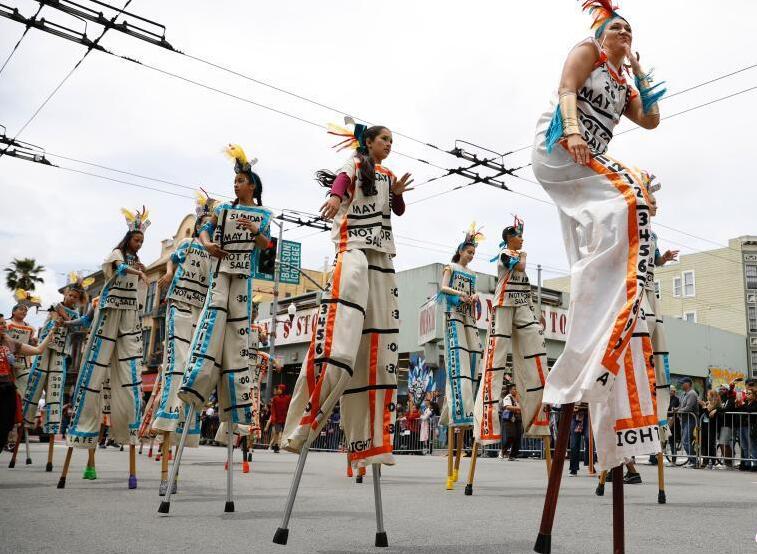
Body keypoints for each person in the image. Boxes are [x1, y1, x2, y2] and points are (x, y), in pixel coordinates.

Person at [531, 0, 666, 472]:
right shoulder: (588, 51)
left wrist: (640, 72)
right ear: (601, 33)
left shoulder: (622, 82)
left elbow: (651, 120)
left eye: (630, 30)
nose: (625, 33)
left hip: (589, 161)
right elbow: (566, 88)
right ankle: (620, 285)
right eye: (618, 27)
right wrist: (571, 132)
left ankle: (599, 306)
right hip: (562, 147)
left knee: (630, 199)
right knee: (634, 195)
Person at [282, 121, 412, 472]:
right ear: (368, 142)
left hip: (381, 257)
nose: (389, 144)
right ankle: (304, 420)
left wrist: (398, 193)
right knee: (340, 345)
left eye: (392, 140)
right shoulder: (354, 164)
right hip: (353, 250)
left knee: (378, 347)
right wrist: (335, 197)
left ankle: (370, 441)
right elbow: (341, 181)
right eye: (384, 139)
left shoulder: (387, 174)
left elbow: (398, 211)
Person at [178, 145, 272, 448]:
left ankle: (234, 408)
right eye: (234, 181)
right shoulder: (222, 210)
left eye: (241, 181)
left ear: (252, 185)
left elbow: (266, 245)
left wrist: (254, 230)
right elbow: (204, 231)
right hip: (220, 275)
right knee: (213, 324)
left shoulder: (263, 214)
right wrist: (207, 245)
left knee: (236, 338)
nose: (236, 185)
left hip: (243, 279)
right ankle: (195, 384)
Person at [65, 208, 149, 487]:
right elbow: (119, 270)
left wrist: (141, 270)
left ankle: (124, 442)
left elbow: (135, 278)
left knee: (126, 386)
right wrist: (69, 323)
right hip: (107, 324)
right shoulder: (117, 256)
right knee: (93, 387)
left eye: (142, 241)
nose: (139, 245)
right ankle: (89, 461)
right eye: (136, 240)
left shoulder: (136, 262)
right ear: (128, 239)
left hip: (127, 321)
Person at [150, 191, 215, 493]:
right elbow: (172, 262)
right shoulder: (188, 244)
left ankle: (181, 426)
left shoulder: (215, 251)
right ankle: (167, 471)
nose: (209, 227)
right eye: (206, 223)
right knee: (177, 366)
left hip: (201, 308)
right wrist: (168, 274)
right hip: (179, 303)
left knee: (193, 369)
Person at [474, 217, 550, 454]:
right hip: (504, 304)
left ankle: (537, 418)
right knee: (496, 355)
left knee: (535, 346)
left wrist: (536, 313)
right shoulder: (505, 254)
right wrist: (523, 255)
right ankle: (486, 424)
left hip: (522, 305)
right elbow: (519, 267)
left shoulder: (515, 254)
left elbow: (526, 289)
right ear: (509, 238)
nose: (522, 239)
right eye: (518, 236)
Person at [641, 173, 678, 467]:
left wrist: (663, 258)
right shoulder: (632, 224)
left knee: (659, 343)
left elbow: (653, 259)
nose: (656, 205)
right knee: (647, 325)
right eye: (652, 201)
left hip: (651, 288)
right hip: (636, 289)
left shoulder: (652, 234)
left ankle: (658, 425)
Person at [0, 314, 58, 452]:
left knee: (6, 424)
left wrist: (50, 333)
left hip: (7, 388)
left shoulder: (9, 341)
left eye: (4, 323)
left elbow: (38, 350)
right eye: (0, 324)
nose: (4, 326)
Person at [677, 378, 699, 467]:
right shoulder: (684, 394)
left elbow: (688, 408)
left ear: (688, 384)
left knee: (686, 441)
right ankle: (691, 460)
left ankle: (694, 461)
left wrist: (678, 411)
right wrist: (676, 409)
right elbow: (681, 406)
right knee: (685, 441)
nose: (681, 385)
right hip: (684, 420)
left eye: (682, 383)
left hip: (691, 420)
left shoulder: (692, 394)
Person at [698, 390, 723, 469]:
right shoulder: (707, 404)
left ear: (712, 396)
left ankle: (712, 461)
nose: (707, 396)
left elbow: (709, 415)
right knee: (704, 444)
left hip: (712, 427)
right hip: (704, 426)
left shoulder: (717, 406)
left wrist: (704, 407)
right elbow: (702, 414)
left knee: (710, 444)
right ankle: (705, 460)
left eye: (708, 395)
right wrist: (701, 406)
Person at [500, 385, 523, 461]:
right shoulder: (508, 397)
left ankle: (512, 455)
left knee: (518, 437)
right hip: (509, 419)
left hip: (518, 419)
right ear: (510, 390)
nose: (515, 390)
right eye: (514, 389)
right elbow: (508, 407)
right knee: (511, 436)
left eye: (516, 389)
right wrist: (519, 408)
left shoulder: (518, 397)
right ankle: (503, 451)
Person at [268, 384, 291, 453]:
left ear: (283, 390)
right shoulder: (275, 398)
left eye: (279, 389)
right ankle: (276, 445)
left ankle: (288, 445)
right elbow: (273, 409)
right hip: (277, 418)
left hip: (285, 418)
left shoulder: (288, 398)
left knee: (286, 432)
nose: (278, 390)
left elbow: (289, 407)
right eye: (278, 389)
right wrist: (273, 417)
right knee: (277, 432)